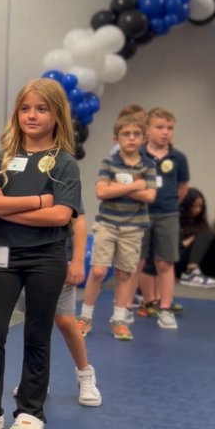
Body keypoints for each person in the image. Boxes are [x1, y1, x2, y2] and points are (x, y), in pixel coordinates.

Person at [0, 77, 81, 429]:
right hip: (5, 254)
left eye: (41, 109)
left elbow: (61, 217)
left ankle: (30, 411)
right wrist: (38, 201)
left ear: (56, 116)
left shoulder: (64, 164)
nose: (32, 115)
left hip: (47, 257)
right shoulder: (2, 158)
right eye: (26, 108)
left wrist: (6, 208)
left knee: (37, 334)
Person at [76, 115, 156, 341]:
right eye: (125, 134)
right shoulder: (109, 162)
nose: (131, 138)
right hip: (107, 224)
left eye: (136, 134)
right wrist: (136, 184)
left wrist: (117, 186)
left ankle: (118, 319)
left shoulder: (148, 165)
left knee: (124, 273)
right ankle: (85, 317)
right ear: (116, 138)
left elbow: (150, 196)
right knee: (99, 270)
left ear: (143, 138)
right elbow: (101, 192)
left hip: (133, 228)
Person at [14, 214, 101, 406]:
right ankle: (35, 380)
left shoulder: (64, 183)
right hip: (25, 257)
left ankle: (85, 373)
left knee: (65, 321)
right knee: (34, 321)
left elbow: (78, 220)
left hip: (59, 257)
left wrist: (78, 261)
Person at [135, 108, 189, 329]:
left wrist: (170, 204)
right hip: (140, 213)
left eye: (170, 128)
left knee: (164, 262)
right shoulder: (137, 154)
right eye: (160, 127)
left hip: (167, 213)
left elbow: (182, 188)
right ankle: (149, 302)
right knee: (139, 261)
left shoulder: (178, 158)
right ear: (148, 129)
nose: (165, 132)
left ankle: (165, 309)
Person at [176, 188, 215, 287]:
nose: (198, 210)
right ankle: (191, 272)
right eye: (194, 206)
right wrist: (190, 241)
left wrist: (196, 240)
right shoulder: (175, 220)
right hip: (178, 263)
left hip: (203, 266)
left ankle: (194, 271)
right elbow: (172, 247)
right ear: (186, 205)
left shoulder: (200, 222)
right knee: (205, 233)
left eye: (200, 206)